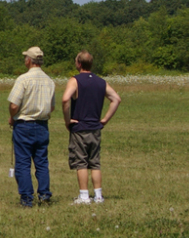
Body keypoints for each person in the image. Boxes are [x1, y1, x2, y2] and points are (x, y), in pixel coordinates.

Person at [61, 50, 121, 204]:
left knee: (81, 162)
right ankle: (98, 195)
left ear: (78, 64)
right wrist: (105, 119)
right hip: (95, 127)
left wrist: (68, 120)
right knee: (95, 163)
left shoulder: (75, 80)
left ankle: (84, 196)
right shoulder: (101, 82)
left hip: (80, 126)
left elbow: (65, 99)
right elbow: (116, 99)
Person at [8, 46, 57, 207]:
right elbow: (52, 107)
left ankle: (26, 198)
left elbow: (14, 105)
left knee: (23, 162)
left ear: (29, 60)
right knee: (42, 162)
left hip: (24, 125)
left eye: (25, 58)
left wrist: (12, 117)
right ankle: (44, 195)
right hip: (42, 125)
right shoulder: (49, 81)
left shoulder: (23, 79)